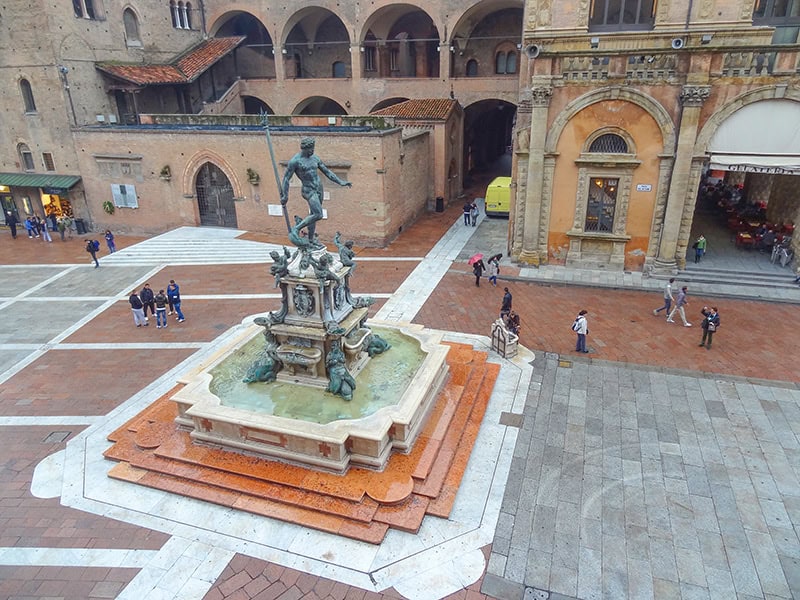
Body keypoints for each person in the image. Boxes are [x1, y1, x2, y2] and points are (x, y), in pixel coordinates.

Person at [280, 137, 352, 246]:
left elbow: (327, 172)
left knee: (313, 215)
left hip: (319, 188)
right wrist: (285, 195)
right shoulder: (295, 161)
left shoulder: (315, 158)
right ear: (304, 148)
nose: (312, 151)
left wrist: (340, 182)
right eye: (310, 149)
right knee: (318, 214)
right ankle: (296, 228)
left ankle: (310, 239)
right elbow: (286, 179)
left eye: (313, 149)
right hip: (308, 190)